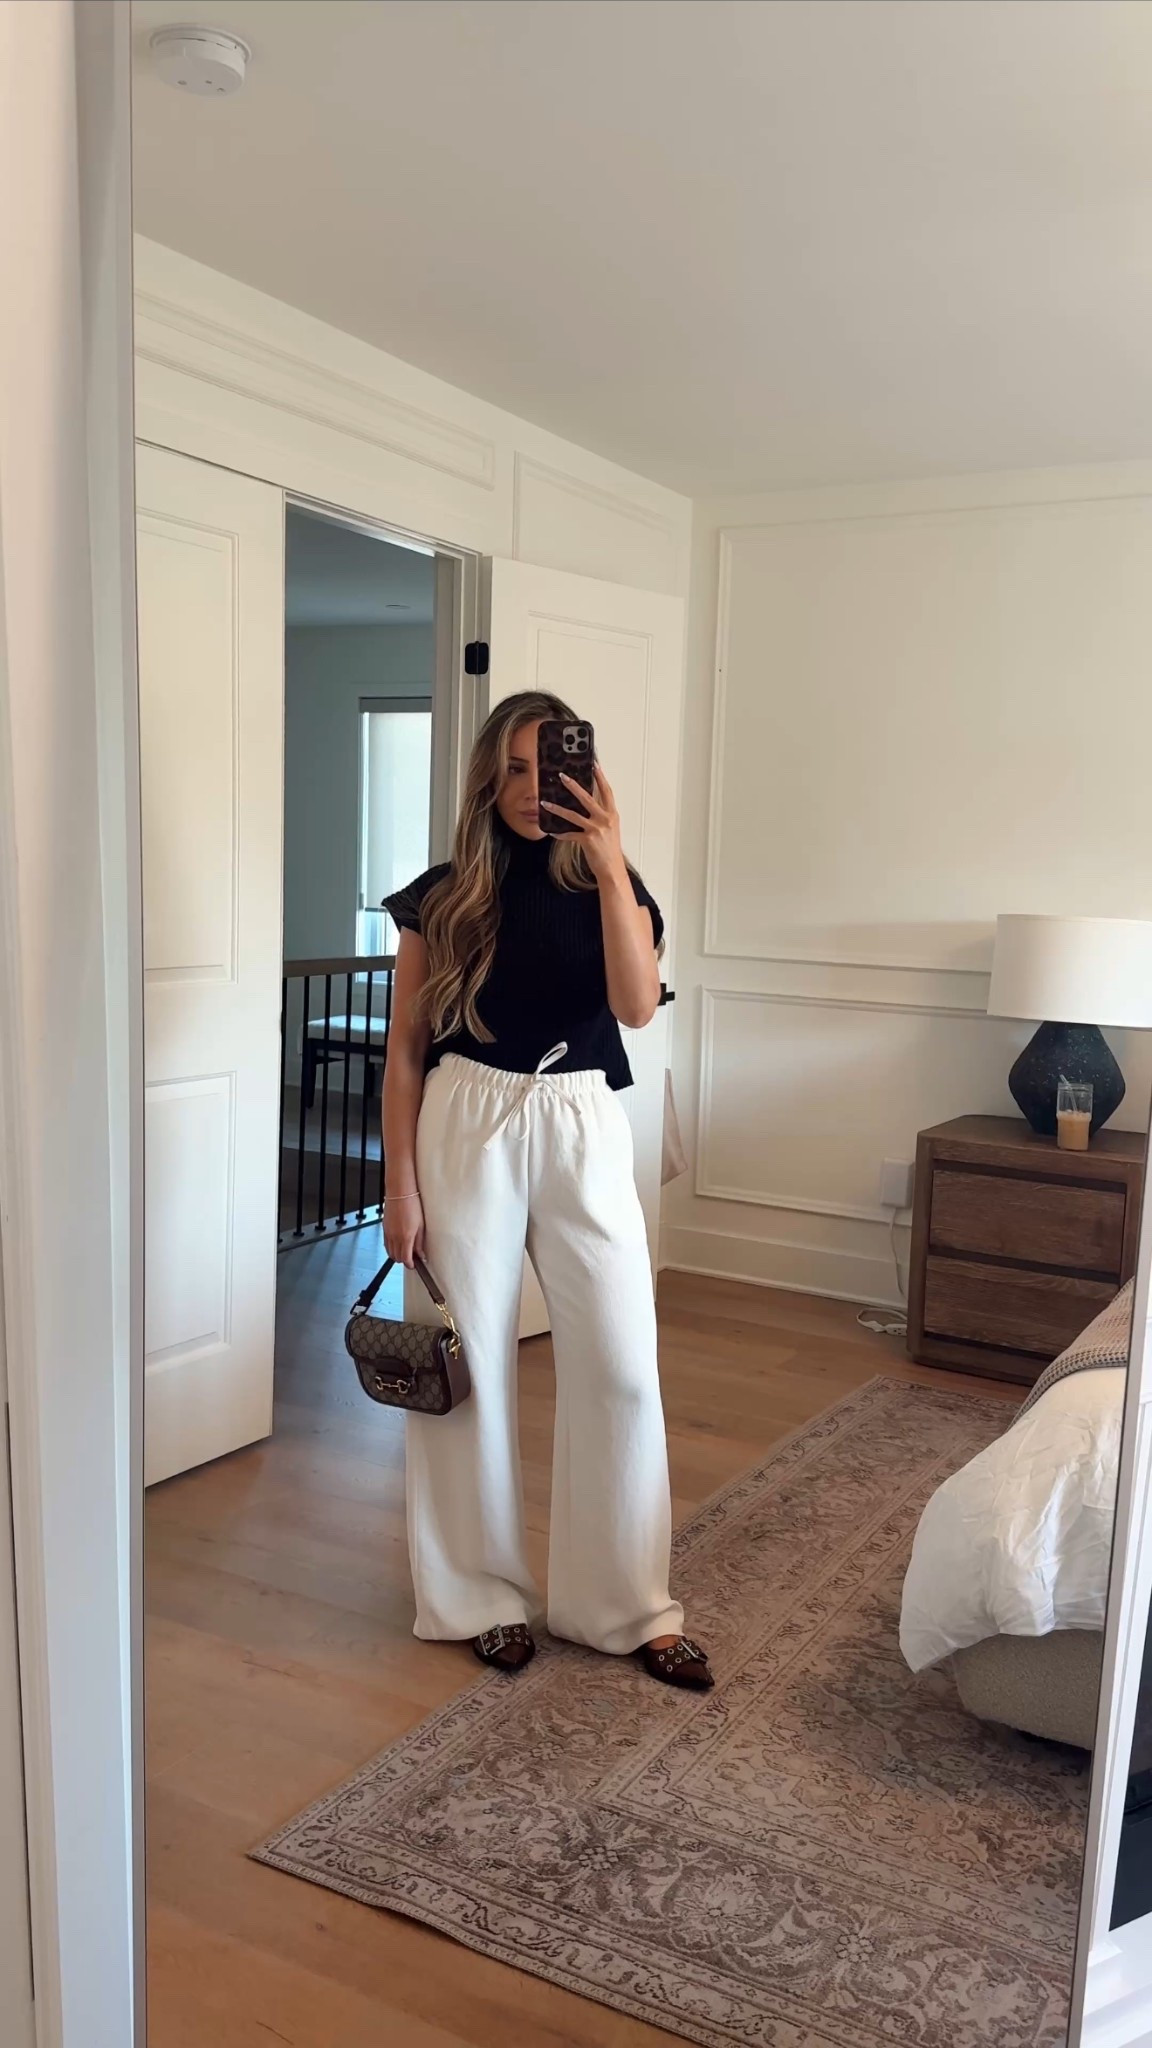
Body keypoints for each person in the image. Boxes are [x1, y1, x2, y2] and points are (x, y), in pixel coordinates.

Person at [381, 690, 712, 1689]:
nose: (533, 789)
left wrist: (608, 860)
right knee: (467, 1366)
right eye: (515, 770)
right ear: (488, 780)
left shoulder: (615, 881)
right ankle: (476, 1596)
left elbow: (637, 1007)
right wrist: (399, 1186)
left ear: (586, 774)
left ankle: (626, 1605)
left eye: (551, 767)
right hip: (465, 1115)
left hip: (581, 1117)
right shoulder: (442, 896)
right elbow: (404, 1055)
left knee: (622, 1363)